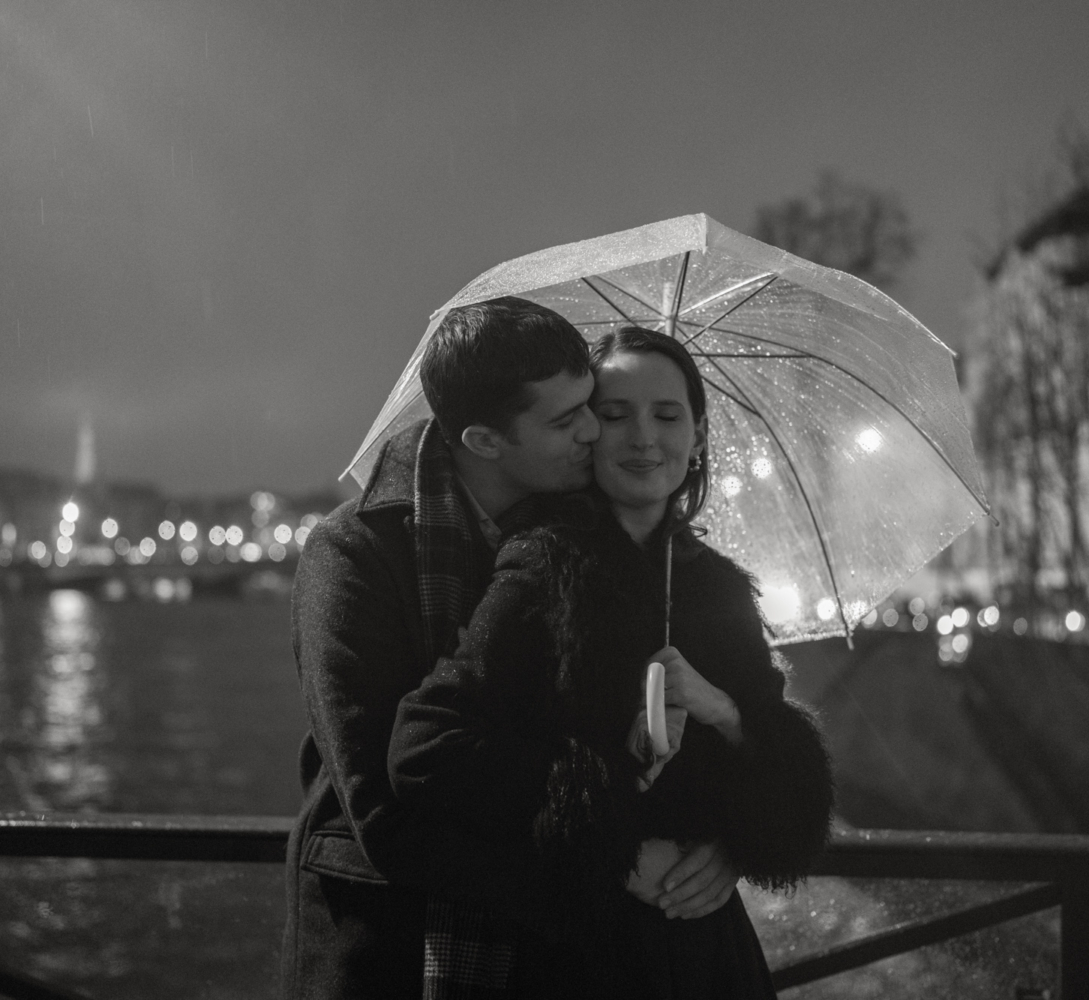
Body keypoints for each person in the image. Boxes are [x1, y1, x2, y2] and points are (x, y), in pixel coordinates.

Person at [389, 325, 835, 997]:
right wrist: (607, 836)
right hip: (583, 956)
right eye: (614, 414)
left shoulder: (719, 587)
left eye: (667, 415)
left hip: (709, 958)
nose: (643, 439)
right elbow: (425, 747)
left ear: (700, 435)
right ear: (588, 432)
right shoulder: (545, 566)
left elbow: (788, 794)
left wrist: (729, 752)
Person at [283, 296, 605, 999]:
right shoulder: (352, 554)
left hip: (547, 959)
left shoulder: (580, 539)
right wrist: (591, 871)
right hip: (388, 951)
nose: (593, 429)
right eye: (563, 419)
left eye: (591, 402)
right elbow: (379, 807)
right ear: (485, 441)